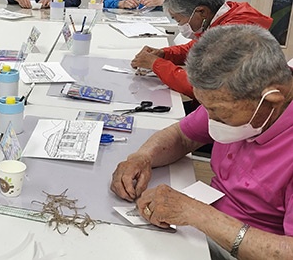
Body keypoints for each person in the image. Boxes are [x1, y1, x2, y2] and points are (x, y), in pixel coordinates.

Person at [112, 24, 293, 259]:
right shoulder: (238, 96)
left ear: (271, 101)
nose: (212, 120)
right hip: (209, 224)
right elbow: (182, 136)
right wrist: (142, 157)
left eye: (221, 113)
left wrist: (195, 213)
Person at [131, 0, 272, 100]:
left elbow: (202, 86)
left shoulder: (234, 35)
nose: (179, 25)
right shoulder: (226, 16)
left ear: (201, 12)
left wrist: (156, 64)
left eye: (178, 20)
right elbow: (201, 48)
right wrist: (164, 54)